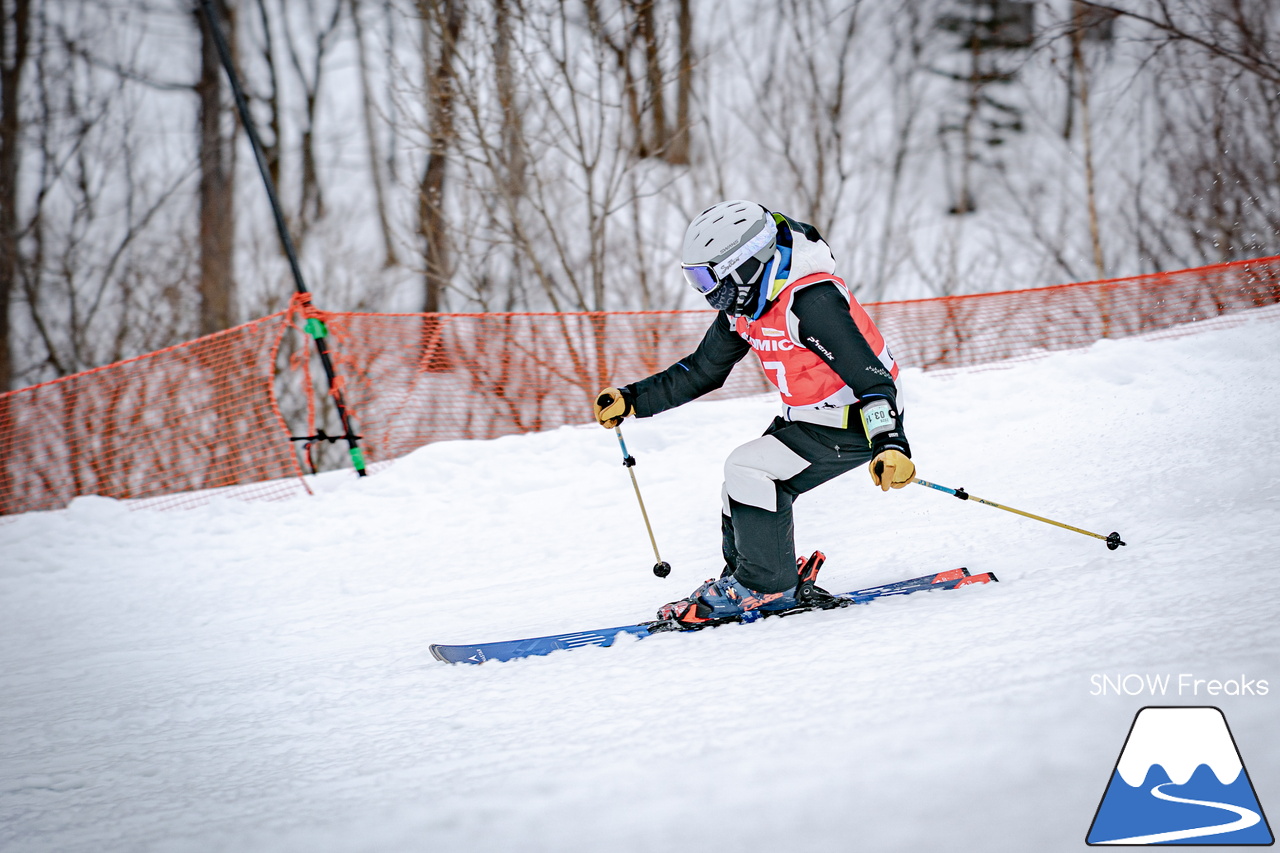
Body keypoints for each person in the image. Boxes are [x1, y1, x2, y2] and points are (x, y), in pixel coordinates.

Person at [593, 200, 914, 626]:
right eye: (694, 278)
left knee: (749, 469)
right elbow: (703, 369)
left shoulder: (810, 302)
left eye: (709, 277)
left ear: (746, 265)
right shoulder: (746, 307)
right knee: (740, 486)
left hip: (856, 423)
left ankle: (765, 587)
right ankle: (748, 580)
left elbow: (872, 380)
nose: (706, 292)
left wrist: (890, 444)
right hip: (809, 416)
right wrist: (634, 398)